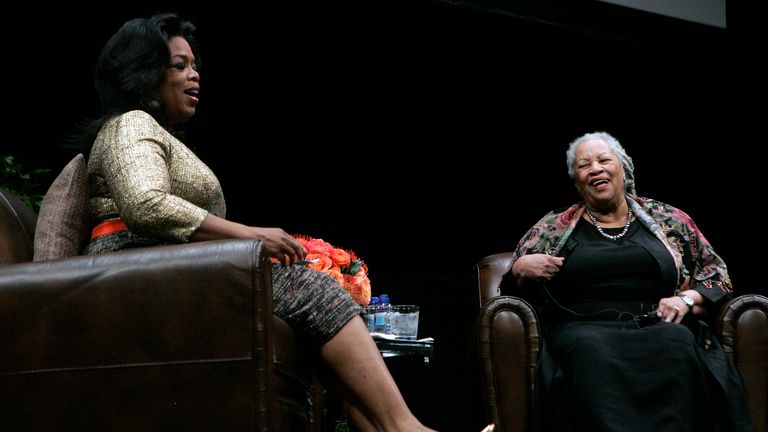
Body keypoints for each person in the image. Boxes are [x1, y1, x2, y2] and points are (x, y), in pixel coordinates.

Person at [79, 13, 435, 432]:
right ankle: (405, 427)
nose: (194, 76)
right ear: (142, 73)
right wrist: (249, 238)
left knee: (304, 290)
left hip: (163, 266)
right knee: (310, 287)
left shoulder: (158, 134)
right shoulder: (131, 123)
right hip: (139, 267)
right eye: (179, 65)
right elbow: (145, 204)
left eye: (195, 66)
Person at [510, 131, 753, 432]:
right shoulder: (553, 226)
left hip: (656, 323)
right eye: (585, 165)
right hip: (583, 328)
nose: (595, 168)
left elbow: (718, 276)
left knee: (677, 343)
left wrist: (686, 299)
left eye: (604, 160)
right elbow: (512, 281)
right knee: (591, 349)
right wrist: (522, 266)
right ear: (577, 181)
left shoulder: (671, 220)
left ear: (623, 168)